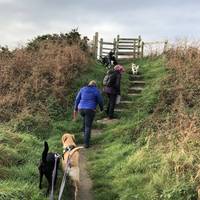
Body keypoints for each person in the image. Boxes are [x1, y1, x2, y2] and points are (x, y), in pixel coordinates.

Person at [74, 80, 103, 148]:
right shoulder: (96, 90)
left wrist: (75, 108)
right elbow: (100, 100)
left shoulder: (82, 89)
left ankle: (85, 139)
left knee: (85, 124)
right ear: (95, 85)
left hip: (81, 109)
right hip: (90, 109)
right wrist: (101, 109)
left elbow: (77, 99)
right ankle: (86, 144)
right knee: (88, 126)